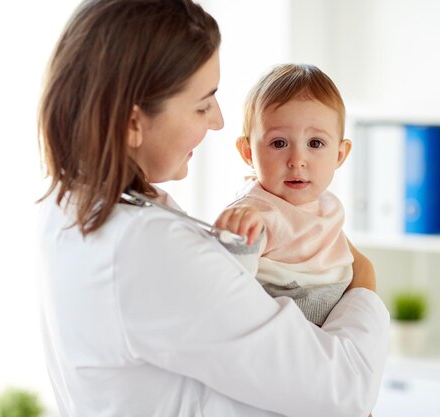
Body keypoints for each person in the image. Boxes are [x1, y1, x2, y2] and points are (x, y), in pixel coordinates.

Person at [36, 1, 389, 416]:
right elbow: (341, 390)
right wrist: (364, 281)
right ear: (133, 122)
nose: (218, 121)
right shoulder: (148, 247)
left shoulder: (72, 203)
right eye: (203, 104)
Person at [215, 64, 354, 327]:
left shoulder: (327, 205)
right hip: (282, 325)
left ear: (339, 155)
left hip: (333, 316)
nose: (297, 160)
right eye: (279, 143)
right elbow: (228, 288)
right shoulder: (256, 212)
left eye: (315, 143)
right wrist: (237, 240)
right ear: (248, 153)